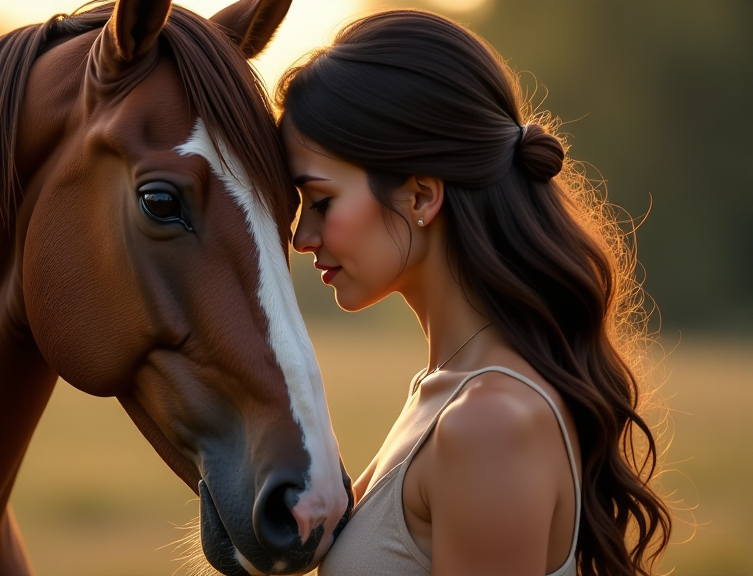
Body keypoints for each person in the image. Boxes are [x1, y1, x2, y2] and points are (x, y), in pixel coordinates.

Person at [275, 9, 671, 576]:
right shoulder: (446, 392)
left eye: (321, 201)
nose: (302, 237)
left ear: (421, 196)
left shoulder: (490, 425)